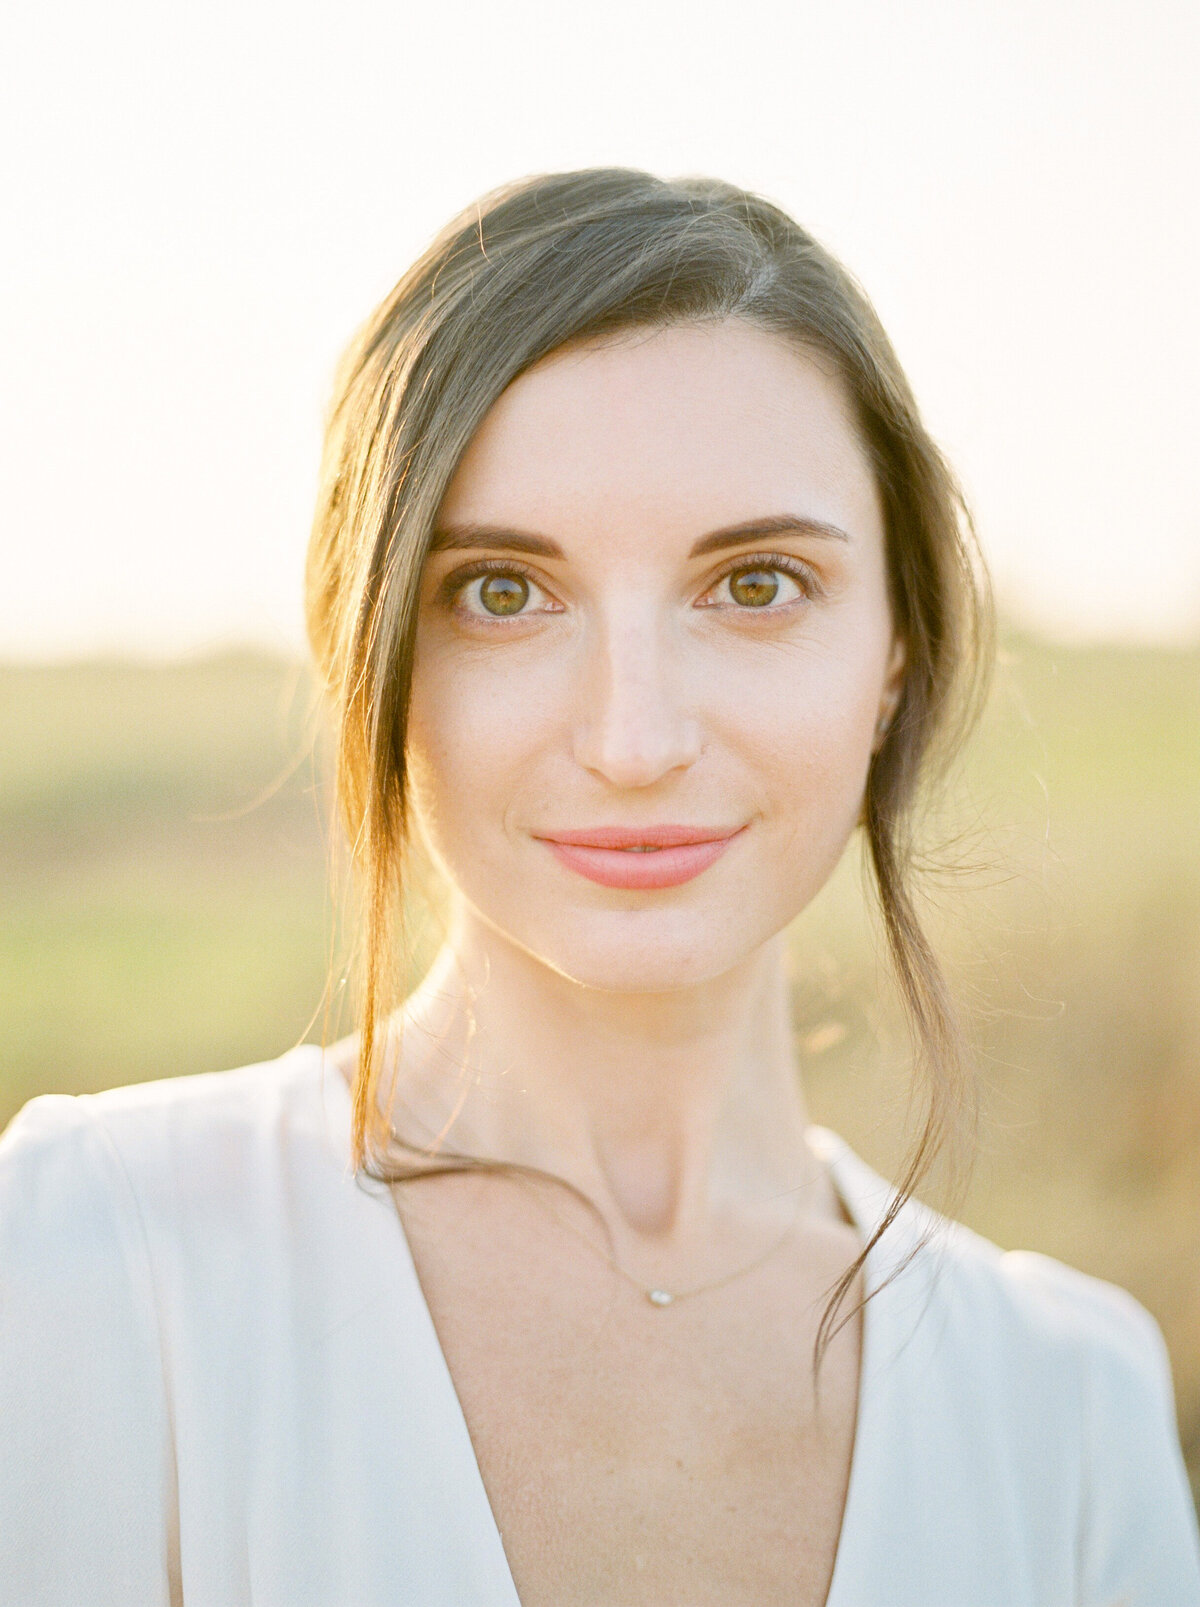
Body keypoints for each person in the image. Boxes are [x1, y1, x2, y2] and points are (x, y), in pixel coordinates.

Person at [1, 168, 1197, 1607]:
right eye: (503, 592)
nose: (636, 741)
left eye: (755, 585)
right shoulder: (93, 1259)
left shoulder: (1070, 1410)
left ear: (895, 655)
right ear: (366, 650)